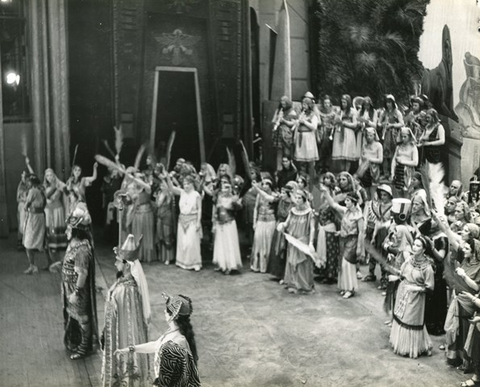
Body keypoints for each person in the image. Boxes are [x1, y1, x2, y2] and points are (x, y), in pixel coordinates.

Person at [116, 293, 201, 387]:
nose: (164, 311)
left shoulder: (177, 342)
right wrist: (130, 349)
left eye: (167, 310)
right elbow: (156, 345)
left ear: (173, 316)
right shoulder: (173, 332)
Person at [101, 234, 152, 386]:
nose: (115, 263)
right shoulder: (126, 286)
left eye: (118, 261)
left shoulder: (124, 290)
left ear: (127, 265)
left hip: (122, 335)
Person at [62, 206, 98, 360]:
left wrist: (76, 293)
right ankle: (77, 341)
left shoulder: (82, 248)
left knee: (83, 317)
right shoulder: (74, 243)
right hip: (69, 288)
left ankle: (85, 347)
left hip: (78, 291)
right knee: (75, 315)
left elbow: (82, 274)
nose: (66, 231)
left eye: (69, 228)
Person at [389, 236, 434, 358]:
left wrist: (417, 288)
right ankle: (402, 344)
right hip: (403, 292)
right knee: (401, 318)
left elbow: (430, 288)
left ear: (424, 249)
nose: (414, 247)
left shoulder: (427, 267)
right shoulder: (409, 260)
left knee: (411, 321)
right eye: (414, 244)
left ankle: (415, 347)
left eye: (418, 245)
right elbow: (402, 274)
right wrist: (396, 277)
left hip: (416, 298)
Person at [321, 187, 365, 299]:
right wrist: (326, 193)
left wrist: (359, 248)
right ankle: (345, 287)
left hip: (353, 241)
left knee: (348, 264)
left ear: (354, 202)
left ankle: (351, 288)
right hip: (343, 240)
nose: (345, 202)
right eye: (345, 200)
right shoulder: (346, 211)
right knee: (342, 265)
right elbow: (334, 205)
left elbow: (361, 233)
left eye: (348, 201)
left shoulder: (359, 216)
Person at [278, 189, 317, 294]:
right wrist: (282, 225)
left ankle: (304, 285)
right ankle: (294, 283)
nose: (298, 200)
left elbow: (312, 228)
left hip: (303, 240)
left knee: (303, 263)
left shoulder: (309, 213)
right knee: (292, 262)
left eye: (300, 198)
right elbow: (287, 223)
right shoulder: (293, 210)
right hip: (293, 240)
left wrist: (311, 243)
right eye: (296, 198)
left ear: (304, 199)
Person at [167, 174, 202, 271]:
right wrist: (167, 177)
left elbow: (199, 209)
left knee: (191, 243)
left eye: (187, 184)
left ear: (192, 184)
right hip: (182, 219)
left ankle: (195, 263)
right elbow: (171, 188)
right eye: (184, 184)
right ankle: (182, 262)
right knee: (183, 242)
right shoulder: (182, 192)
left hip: (192, 219)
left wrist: (198, 222)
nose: (185, 186)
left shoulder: (196, 195)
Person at [212, 180, 243, 274]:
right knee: (221, 243)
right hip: (220, 223)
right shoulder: (219, 197)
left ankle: (230, 265)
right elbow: (216, 211)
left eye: (227, 187)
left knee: (229, 242)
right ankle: (222, 264)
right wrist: (214, 223)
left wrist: (235, 202)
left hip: (229, 222)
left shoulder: (234, 198)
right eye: (223, 187)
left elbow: (239, 208)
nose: (224, 189)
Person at [267, 182, 296, 282]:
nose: (281, 194)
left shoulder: (293, 205)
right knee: (277, 250)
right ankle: (278, 273)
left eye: (284, 193)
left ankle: (285, 275)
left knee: (285, 251)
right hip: (279, 227)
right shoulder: (280, 202)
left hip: (288, 230)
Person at [314, 173, 340, 284]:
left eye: (328, 178)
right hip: (322, 225)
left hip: (330, 226)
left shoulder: (335, 194)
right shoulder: (321, 194)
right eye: (324, 178)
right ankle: (323, 272)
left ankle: (331, 274)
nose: (326, 180)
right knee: (321, 248)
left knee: (330, 251)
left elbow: (334, 208)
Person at [23, 174, 48, 274]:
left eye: (28, 181)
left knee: (28, 243)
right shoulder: (41, 190)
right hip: (41, 216)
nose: (27, 183)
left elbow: (26, 206)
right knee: (42, 240)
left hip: (34, 217)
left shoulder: (33, 191)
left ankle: (32, 266)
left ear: (31, 182)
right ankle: (49, 262)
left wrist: (26, 206)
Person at [250, 178, 277, 273]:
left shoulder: (274, 195)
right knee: (258, 241)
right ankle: (257, 266)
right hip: (260, 220)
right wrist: (254, 221)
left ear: (270, 185)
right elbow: (256, 209)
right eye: (263, 184)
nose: (264, 186)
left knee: (268, 242)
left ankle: (267, 267)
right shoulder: (258, 196)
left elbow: (269, 200)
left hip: (270, 221)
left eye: (267, 184)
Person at [131, 173, 157, 263]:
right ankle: (139, 255)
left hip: (146, 214)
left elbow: (147, 188)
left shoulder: (147, 188)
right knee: (137, 234)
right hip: (137, 214)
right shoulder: (134, 189)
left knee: (146, 235)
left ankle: (147, 255)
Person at [378, 94, 404, 178]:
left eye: (389, 102)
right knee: (385, 153)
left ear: (393, 103)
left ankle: (392, 173)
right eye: (386, 103)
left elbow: (402, 123)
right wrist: (382, 124)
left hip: (394, 135)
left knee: (393, 154)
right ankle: (385, 173)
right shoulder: (383, 112)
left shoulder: (397, 112)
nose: (388, 104)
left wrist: (392, 125)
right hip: (384, 135)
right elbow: (378, 123)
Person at [293, 93, 320, 175]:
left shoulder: (313, 115)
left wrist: (304, 122)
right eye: (303, 104)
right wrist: (297, 123)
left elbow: (314, 127)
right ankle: (302, 176)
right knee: (301, 160)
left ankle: (312, 178)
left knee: (310, 159)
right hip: (301, 137)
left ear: (309, 105)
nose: (303, 106)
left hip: (308, 138)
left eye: (305, 104)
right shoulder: (302, 114)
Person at [43, 168, 68, 253]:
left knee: (56, 227)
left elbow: (66, 190)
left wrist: (64, 187)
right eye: (47, 176)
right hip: (48, 210)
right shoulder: (45, 186)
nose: (49, 177)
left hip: (57, 209)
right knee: (49, 227)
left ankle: (58, 245)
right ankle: (49, 245)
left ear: (54, 175)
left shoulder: (59, 184)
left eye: (51, 175)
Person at [332, 94, 358, 173]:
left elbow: (355, 124)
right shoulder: (339, 111)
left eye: (345, 102)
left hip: (348, 133)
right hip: (339, 133)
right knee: (341, 154)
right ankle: (342, 171)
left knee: (347, 154)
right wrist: (336, 121)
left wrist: (345, 123)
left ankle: (346, 172)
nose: (343, 104)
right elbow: (334, 122)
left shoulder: (353, 111)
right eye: (342, 102)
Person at [391, 127, 419, 197]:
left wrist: (403, 161)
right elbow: (394, 160)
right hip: (398, 170)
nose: (403, 138)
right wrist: (392, 173)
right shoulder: (399, 146)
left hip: (408, 171)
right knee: (398, 191)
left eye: (405, 137)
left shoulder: (413, 147)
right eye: (402, 136)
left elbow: (415, 162)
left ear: (409, 136)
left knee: (407, 191)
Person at [271, 96, 297, 170]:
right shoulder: (278, 110)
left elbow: (293, 123)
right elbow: (273, 121)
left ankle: (289, 169)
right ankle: (279, 170)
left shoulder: (292, 111)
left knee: (287, 153)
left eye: (284, 104)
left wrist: (284, 121)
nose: (283, 105)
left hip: (286, 134)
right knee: (279, 152)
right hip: (278, 133)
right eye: (282, 103)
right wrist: (277, 120)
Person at [154, 177, 176, 265]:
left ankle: (168, 257)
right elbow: (157, 205)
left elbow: (164, 203)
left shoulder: (169, 194)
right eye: (161, 185)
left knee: (167, 237)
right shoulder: (159, 193)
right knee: (161, 236)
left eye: (163, 184)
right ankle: (162, 256)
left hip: (167, 217)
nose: (161, 186)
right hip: (159, 216)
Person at [358, 127, 383, 200]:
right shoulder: (364, 145)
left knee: (373, 189)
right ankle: (367, 203)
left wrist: (370, 159)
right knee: (365, 189)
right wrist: (360, 167)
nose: (369, 137)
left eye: (370, 136)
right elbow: (361, 157)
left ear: (374, 136)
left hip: (374, 169)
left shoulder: (378, 145)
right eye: (367, 136)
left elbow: (380, 160)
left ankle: (373, 204)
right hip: (364, 168)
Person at [317, 95, 337, 173]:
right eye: (325, 103)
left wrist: (332, 126)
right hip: (321, 131)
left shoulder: (333, 113)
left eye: (328, 103)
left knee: (328, 148)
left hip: (330, 132)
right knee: (321, 148)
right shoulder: (319, 112)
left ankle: (327, 166)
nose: (326, 105)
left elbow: (334, 122)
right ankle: (320, 165)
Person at [16, 170, 29, 250]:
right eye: (22, 177)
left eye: (24, 177)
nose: (22, 178)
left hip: (28, 206)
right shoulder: (21, 185)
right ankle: (21, 242)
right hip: (22, 206)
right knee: (22, 223)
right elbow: (18, 198)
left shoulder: (30, 185)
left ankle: (27, 243)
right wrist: (24, 200)